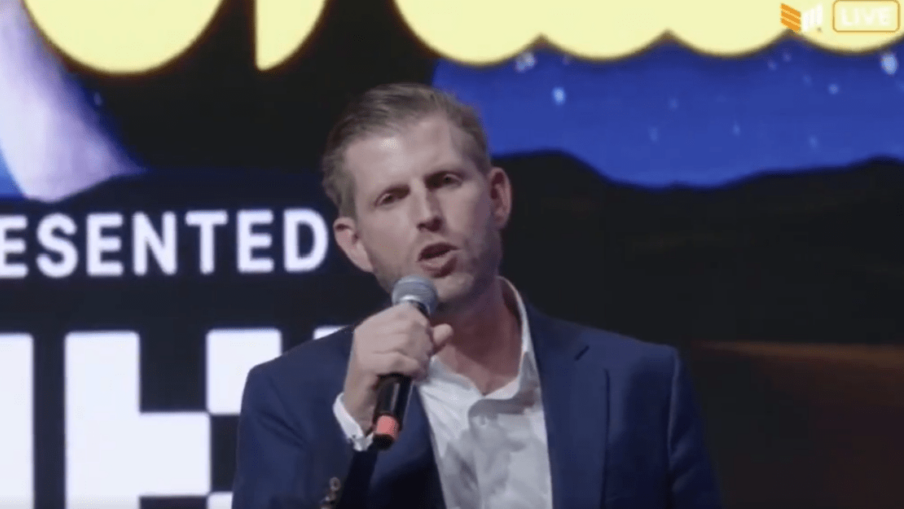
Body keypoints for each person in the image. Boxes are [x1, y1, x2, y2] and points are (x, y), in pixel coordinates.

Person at [231, 82, 723, 509]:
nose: (427, 214)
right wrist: (354, 425)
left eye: (445, 181)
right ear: (355, 243)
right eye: (391, 198)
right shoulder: (291, 398)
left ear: (497, 197)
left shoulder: (643, 381)